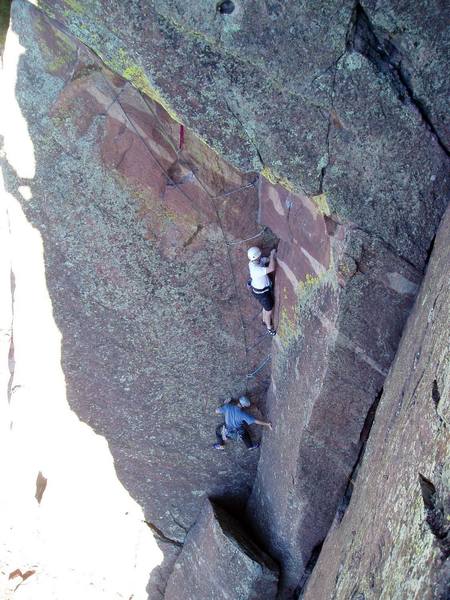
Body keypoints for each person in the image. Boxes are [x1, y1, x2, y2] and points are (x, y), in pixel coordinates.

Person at [247, 246, 277, 335]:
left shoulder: (253, 262)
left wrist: (269, 259)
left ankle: (264, 320)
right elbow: (271, 269)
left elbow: (263, 261)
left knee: (265, 306)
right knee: (269, 310)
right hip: (262, 294)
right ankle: (269, 328)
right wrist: (272, 256)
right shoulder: (256, 270)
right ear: (257, 256)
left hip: (259, 291)